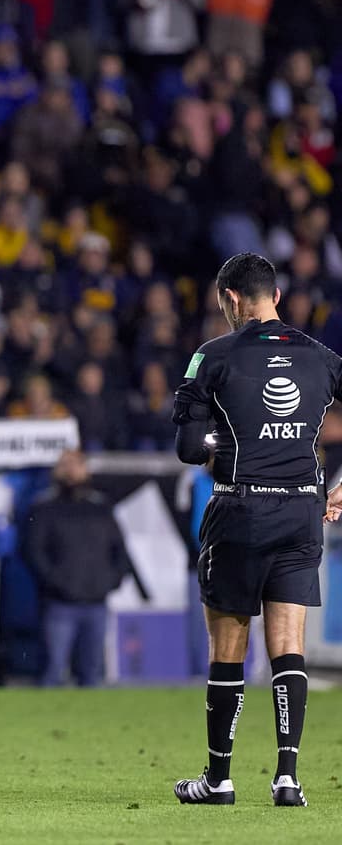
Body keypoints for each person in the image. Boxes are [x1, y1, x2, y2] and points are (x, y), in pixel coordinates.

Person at [173, 253, 342, 807]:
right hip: (302, 512)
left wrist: (223, 440)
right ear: (274, 295)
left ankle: (219, 779)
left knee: (229, 645)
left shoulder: (211, 356)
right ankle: (287, 778)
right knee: (288, 646)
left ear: (232, 298)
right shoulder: (320, 357)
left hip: (240, 511)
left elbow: (188, 448)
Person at [25, 448, 130, 688]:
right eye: (65, 464)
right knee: (53, 670)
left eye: (76, 464)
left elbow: (119, 548)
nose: (71, 471)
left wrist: (111, 580)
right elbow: (33, 552)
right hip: (59, 603)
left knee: (92, 673)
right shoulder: (44, 507)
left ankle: (90, 723)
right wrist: (55, 582)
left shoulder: (101, 506)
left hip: (96, 601)